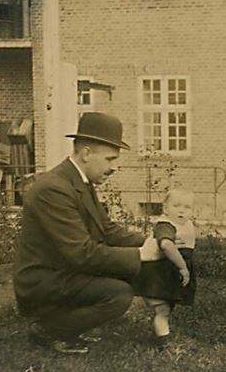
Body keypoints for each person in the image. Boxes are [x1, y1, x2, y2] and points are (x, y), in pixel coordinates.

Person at [13, 112, 163, 355]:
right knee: (119, 294)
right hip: (42, 281)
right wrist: (140, 254)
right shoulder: (53, 188)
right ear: (86, 154)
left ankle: (68, 326)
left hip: (63, 271)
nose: (114, 167)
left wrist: (152, 243)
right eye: (110, 159)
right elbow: (81, 254)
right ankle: (47, 330)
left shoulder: (78, 181)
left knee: (135, 271)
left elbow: (107, 230)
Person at [133, 188, 197, 345]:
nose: (181, 210)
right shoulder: (166, 225)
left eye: (187, 207)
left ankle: (160, 333)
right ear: (165, 208)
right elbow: (166, 244)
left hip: (170, 274)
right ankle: (163, 341)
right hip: (159, 274)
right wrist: (182, 267)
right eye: (176, 206)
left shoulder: (185, 224)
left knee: (167, 307)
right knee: (162, 309)